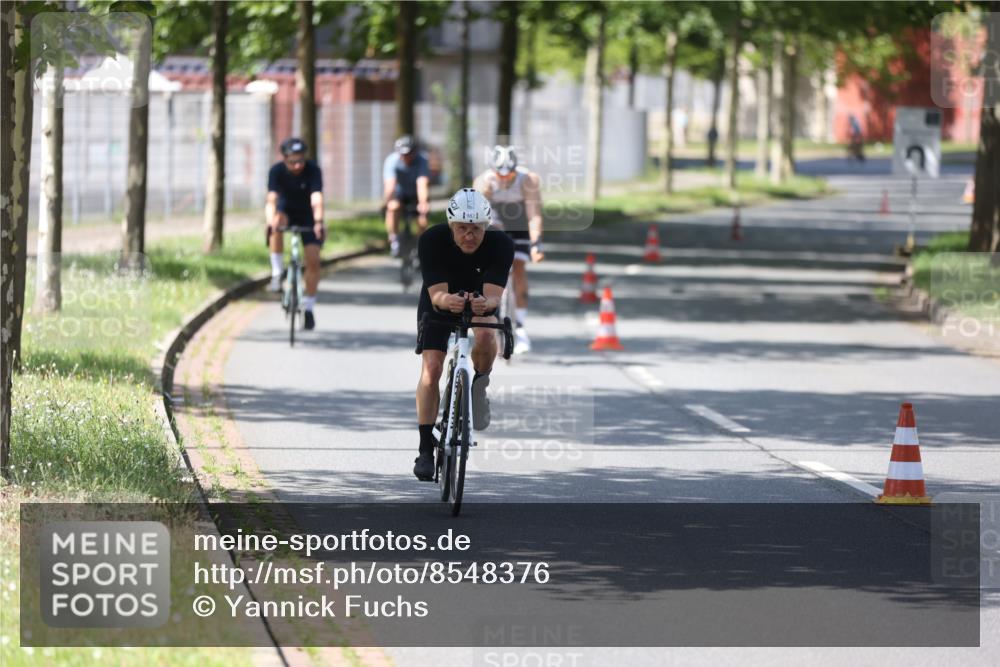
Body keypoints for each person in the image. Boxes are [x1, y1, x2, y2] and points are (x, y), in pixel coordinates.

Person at [412, 188, 514, 481]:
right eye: (462, 229)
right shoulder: (432, 240)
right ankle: (424, 449)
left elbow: (494, 297)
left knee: (484, 336)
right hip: (441, 299)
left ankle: (479, 383)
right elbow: (436, 296)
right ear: (450, 225)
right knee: (431, 369)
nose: (469, 236)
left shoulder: (501, 245)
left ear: (486, 227)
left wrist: (487, 303)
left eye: (476, 230)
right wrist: (447, 301)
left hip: (480, 300)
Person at [473, 145, 544, 354]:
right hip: (495, 223)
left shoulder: (528, 180)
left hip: (520, 223)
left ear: (516, 169)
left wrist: (536, 244)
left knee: (519, 266)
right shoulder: (483, 181)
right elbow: (477, 219)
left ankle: (520, 326)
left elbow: (534, 215)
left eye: (509, 174)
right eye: (499, 174)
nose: (504, 179)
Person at [265, 137, 326, 330]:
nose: (298, 165)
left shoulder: (313, 170)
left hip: (308, 215)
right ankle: (276, 273)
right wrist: (269, 221)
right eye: (293, 161)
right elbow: (272, 200)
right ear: (284, 159)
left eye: (301, 160)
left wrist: (318, 222)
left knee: (313, 260)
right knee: (276, 223)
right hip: (286, 212)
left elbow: (317, 199)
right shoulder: (276, 172)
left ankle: (308, 309)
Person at [383, 135, 431, 257]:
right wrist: (388, 202)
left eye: (408, 154)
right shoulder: (391, 161)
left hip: (416, 195)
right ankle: (394, 240)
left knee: (422, 217)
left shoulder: (422, 160)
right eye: (402, 154)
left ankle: (421, 246)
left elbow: (422, 183)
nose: (406, 157)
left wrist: (423, 202)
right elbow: (390, 185)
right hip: (400, 195)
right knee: (393, 207)